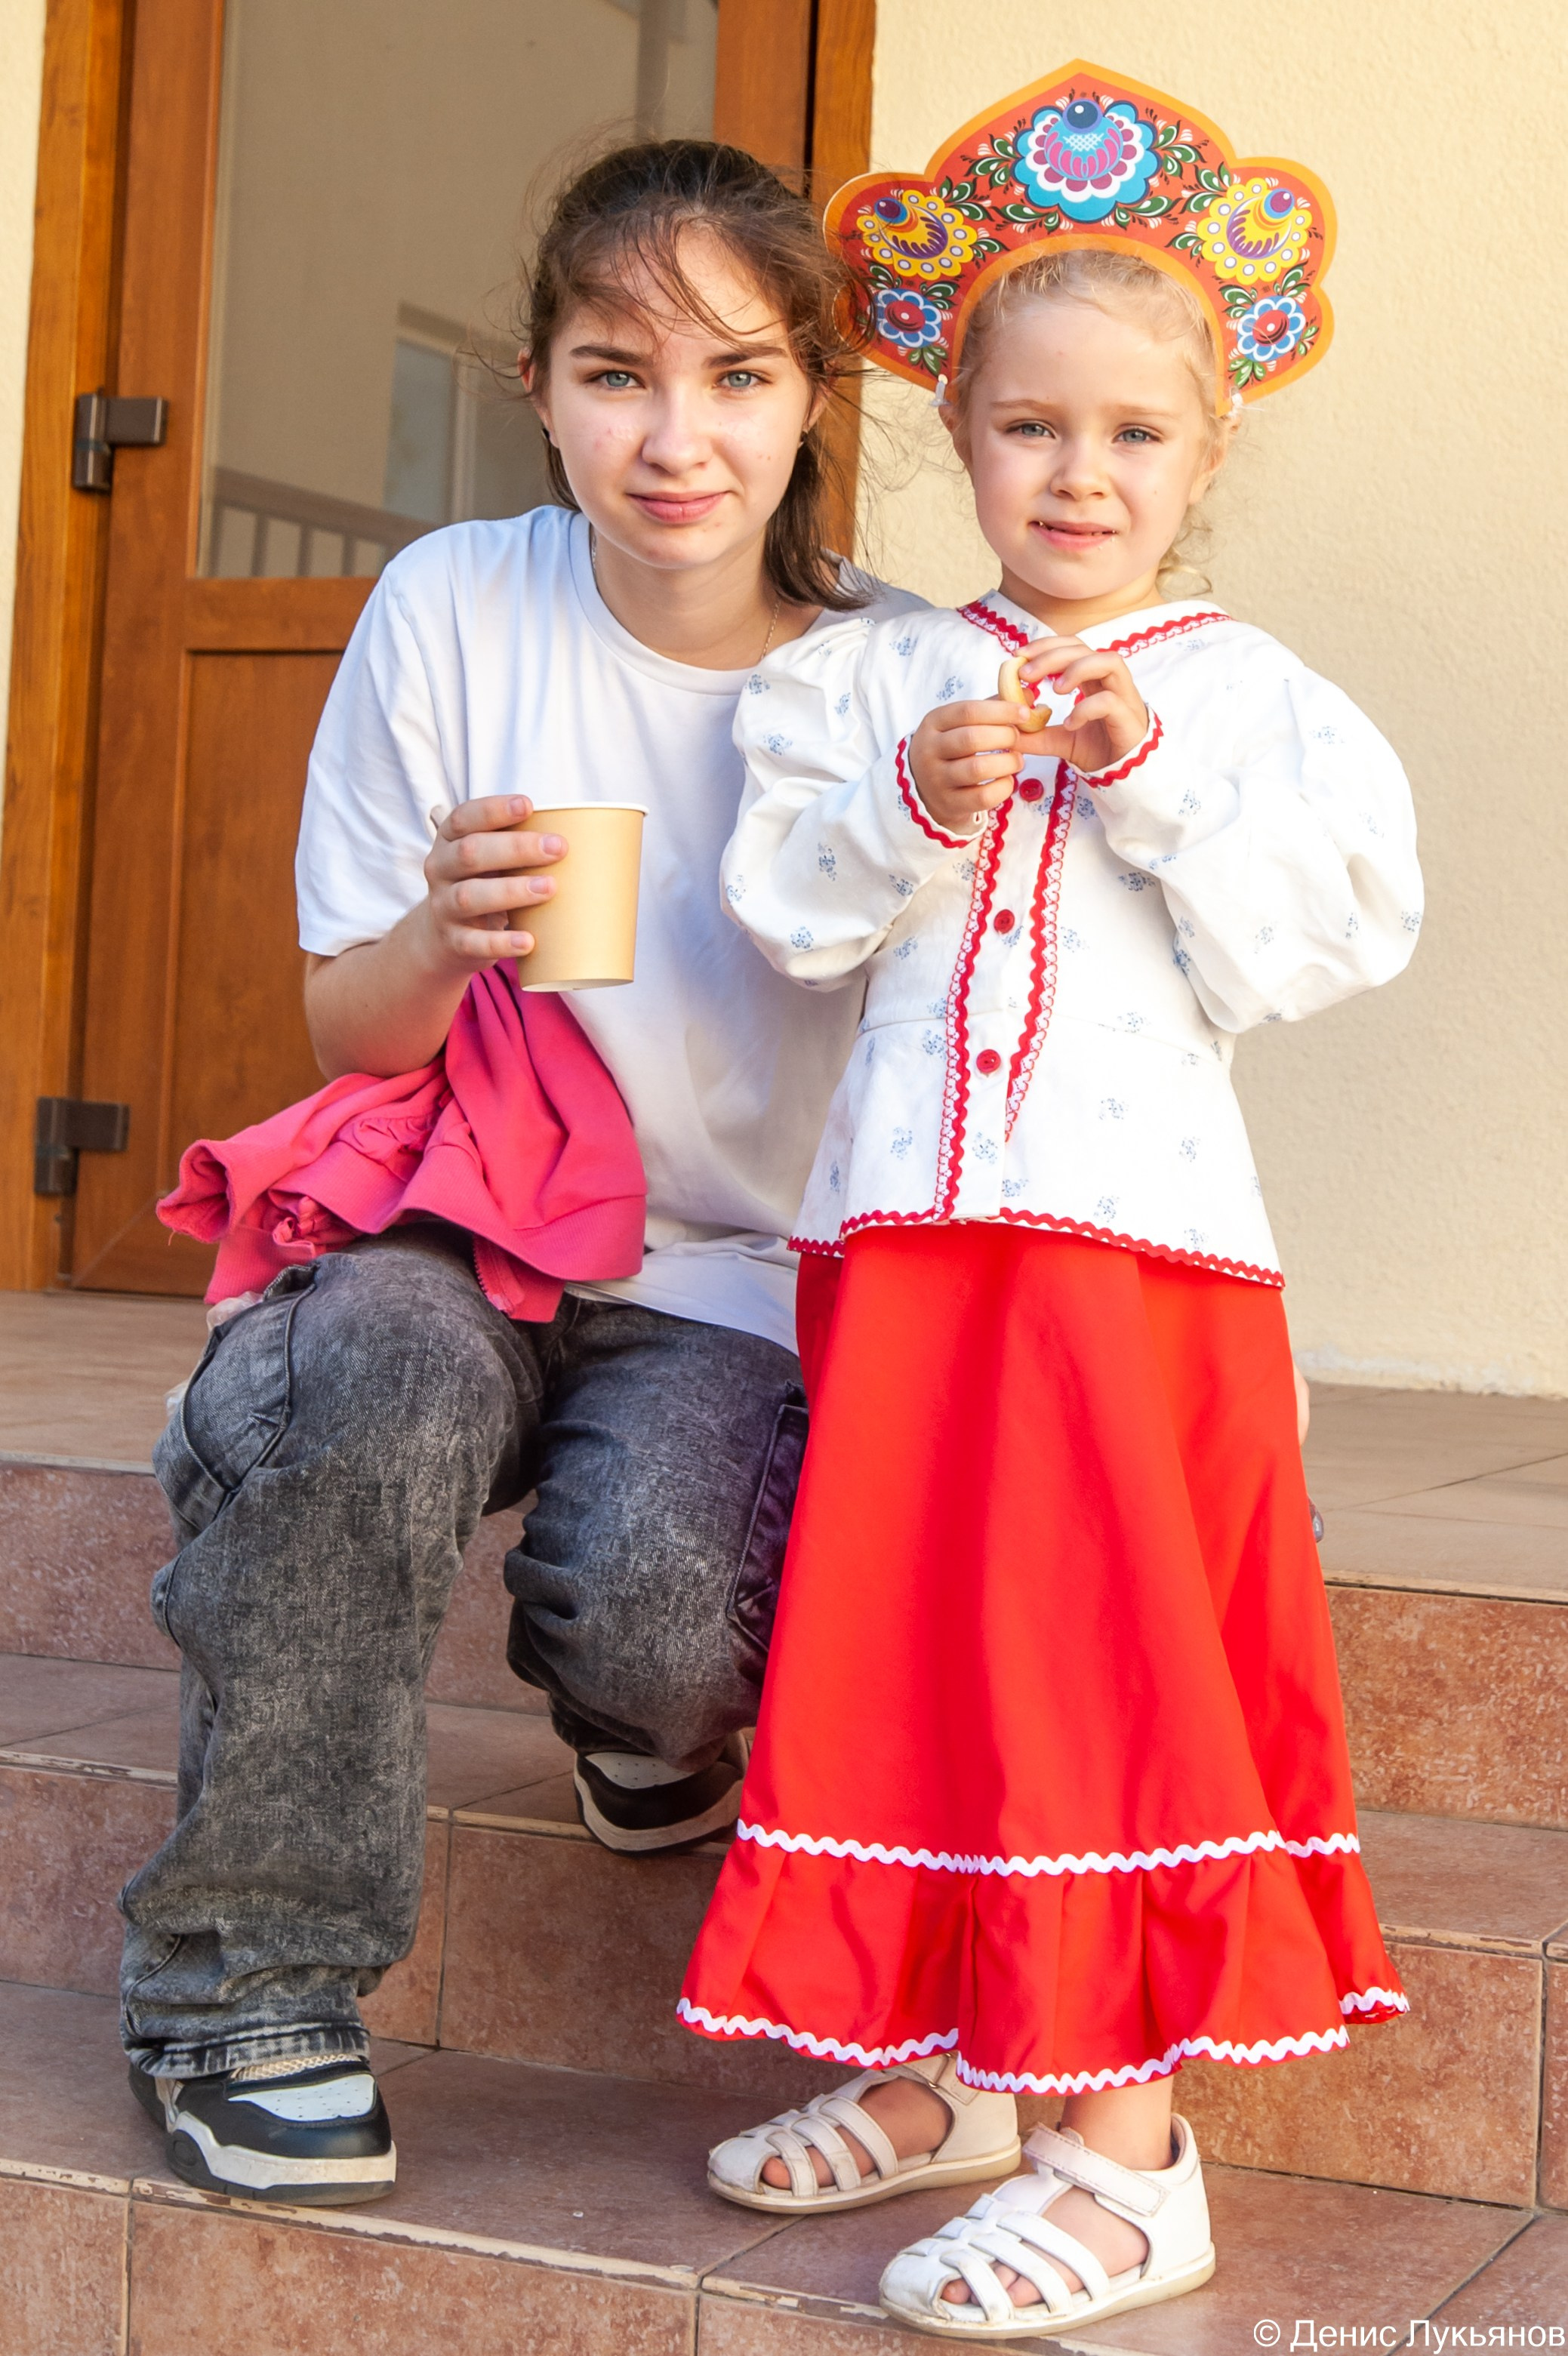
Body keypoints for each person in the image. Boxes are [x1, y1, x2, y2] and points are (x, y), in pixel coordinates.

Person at [680, 69, 1419, 2338]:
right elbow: (790, 913)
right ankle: (948, 2069)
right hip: (908, 1250)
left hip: (1135, 1269)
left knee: (1095, 1673)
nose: (1077, 478)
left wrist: (1163, 778)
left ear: (1204, 455)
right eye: (1027, 431)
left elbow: (1321, 938)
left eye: (1130, 436)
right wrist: (914, 795)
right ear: (955, 434)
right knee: (912, 1652)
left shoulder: (1253, 699)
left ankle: (1126, 2150)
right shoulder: (869, 676)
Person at [119, 137, 920, 2208]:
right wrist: (440, 937)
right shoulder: (457, 601)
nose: (678, 438)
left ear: (813, 398)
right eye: (614, 372)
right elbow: (346, 1030)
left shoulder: (912, 678)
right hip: (473, 1215)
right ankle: (246, 1992)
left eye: (739, 377)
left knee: (656, 1620)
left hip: (743, 1276)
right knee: (359, 1371)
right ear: (539, 385)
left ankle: (643, 1737)